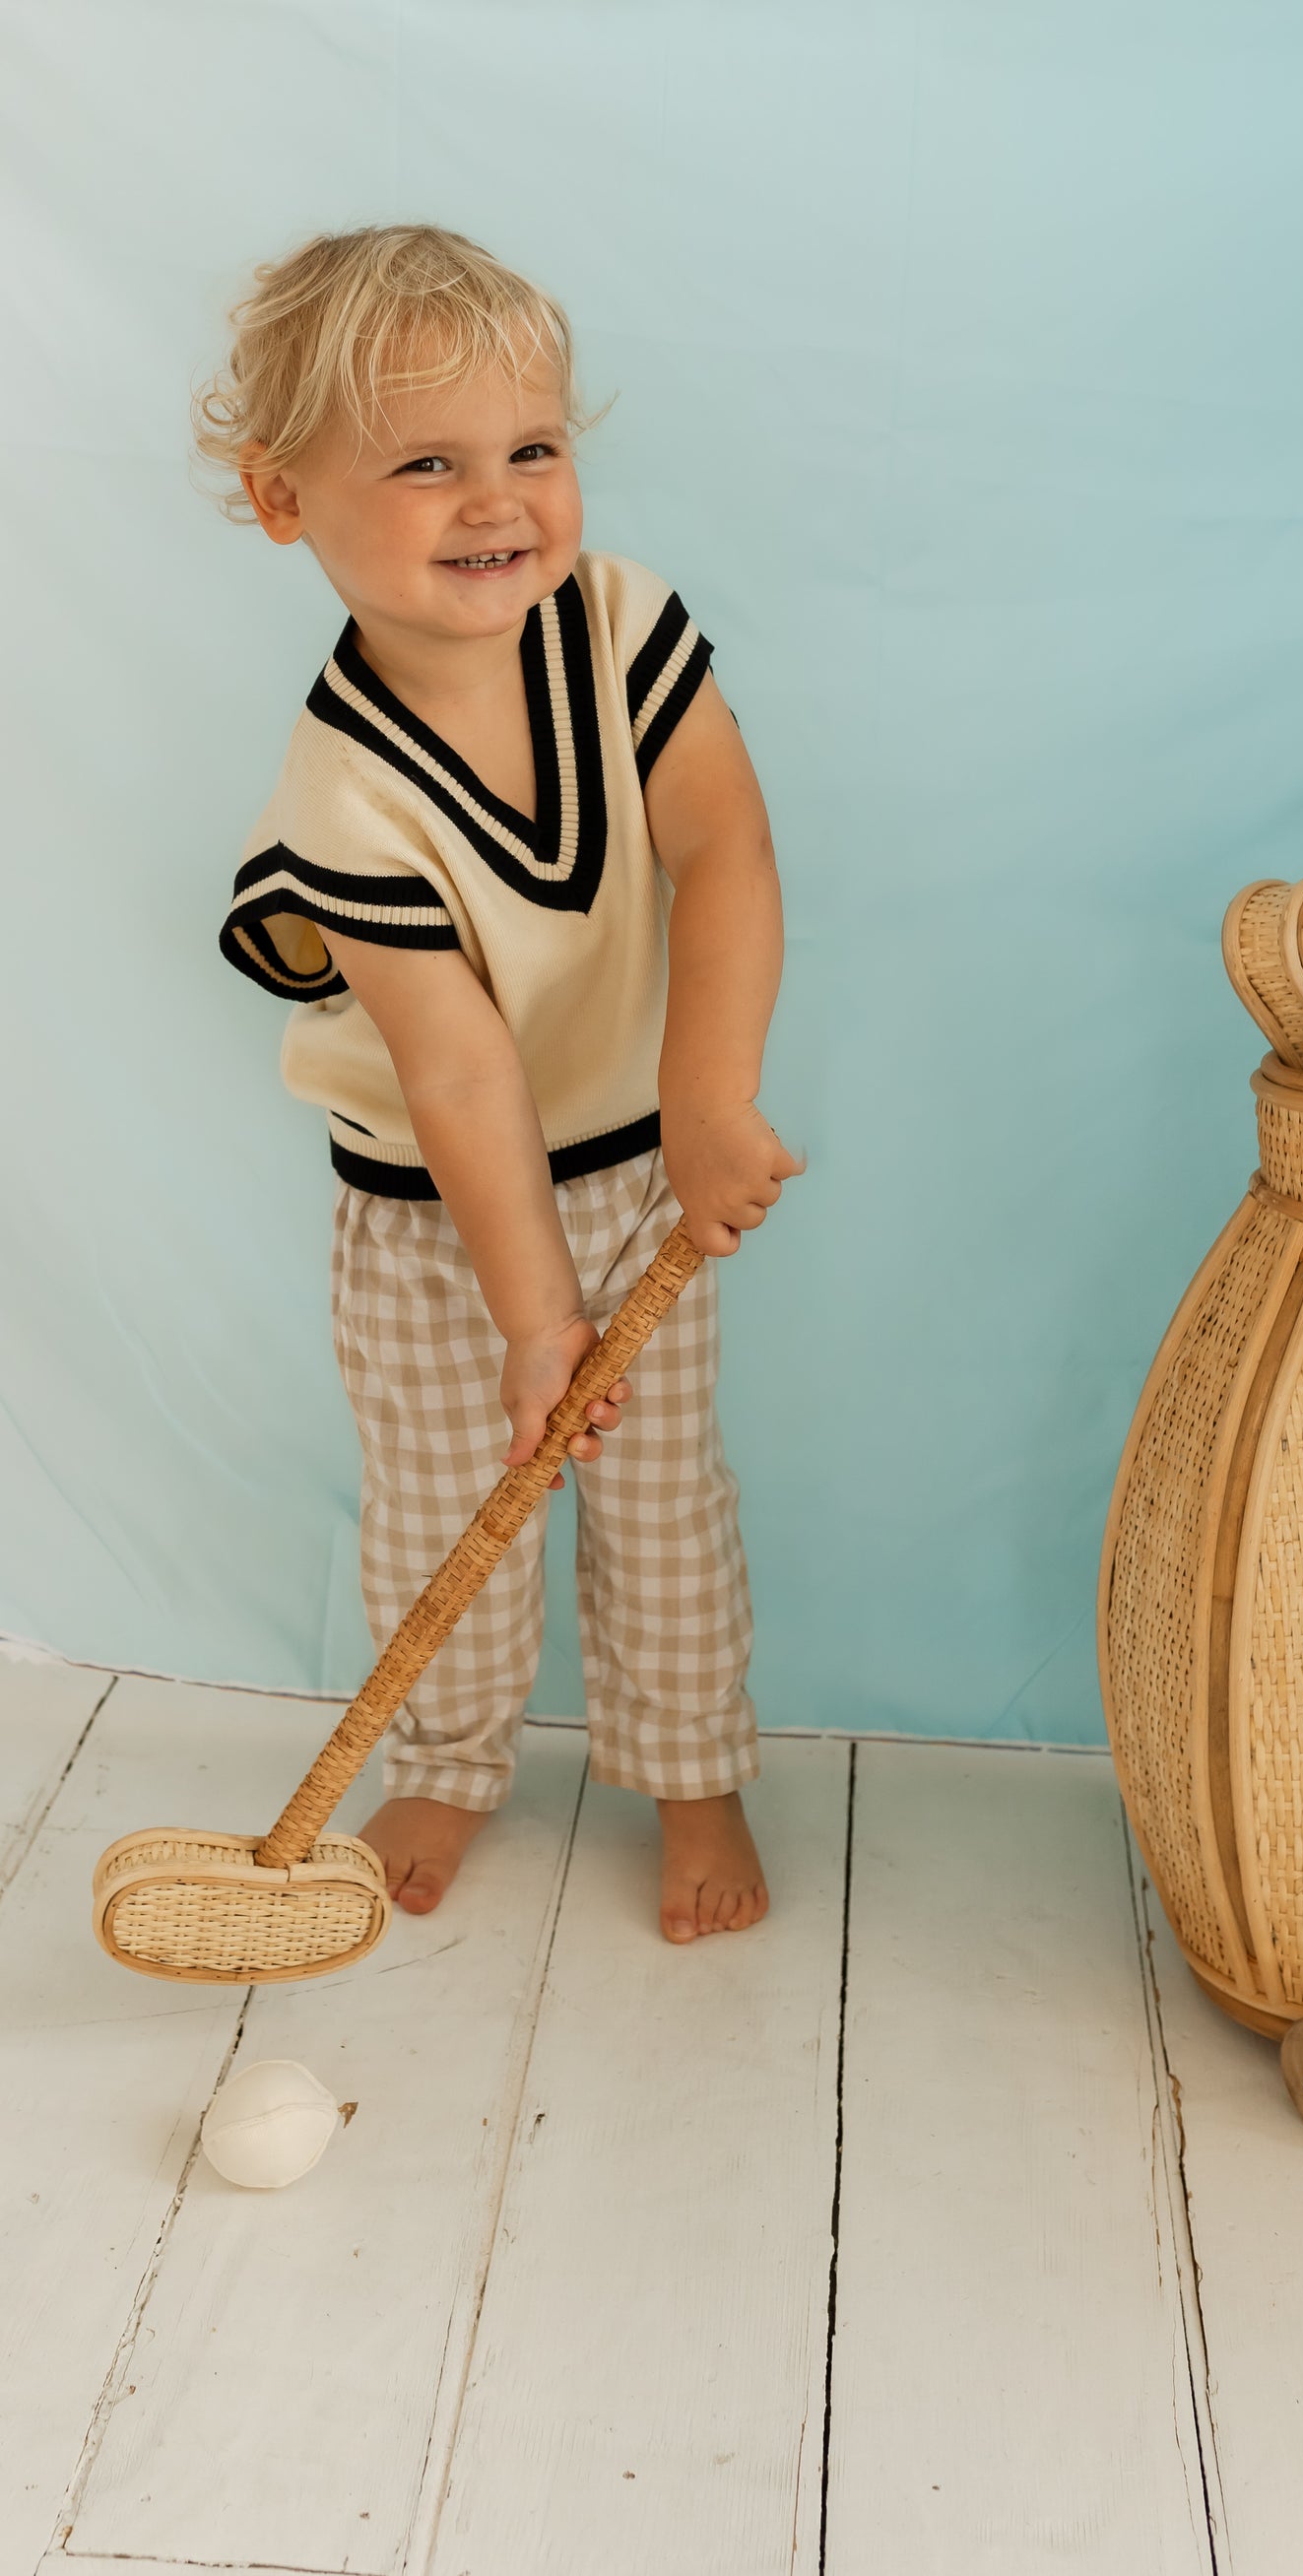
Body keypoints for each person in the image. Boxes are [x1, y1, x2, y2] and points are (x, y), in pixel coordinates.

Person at [207, 225, 801, 1943]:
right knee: (449, 1516)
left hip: (637, 1172)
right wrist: (533, 1322)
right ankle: (448, 1758)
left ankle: (690, 1772)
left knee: (661, 1501)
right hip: (434, 1216)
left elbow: (723, 846)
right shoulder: (342, 800)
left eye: (530, 449)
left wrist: (708, 1103)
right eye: (425, 465)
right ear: (282, 498)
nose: (496, 502)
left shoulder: (616, 626)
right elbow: (457, 1073)